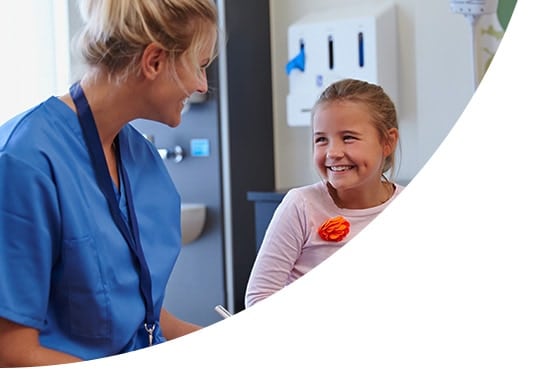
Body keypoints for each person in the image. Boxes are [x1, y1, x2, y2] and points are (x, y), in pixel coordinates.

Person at [0, 0, 218, 365]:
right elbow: (11, 351)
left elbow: (145, 318)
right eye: (199, 66)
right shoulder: (24, 162)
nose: (201, 85)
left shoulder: (144, 162)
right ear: (154, 61)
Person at [245, 78, 405, 308]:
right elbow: (259, 297)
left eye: (348, 138)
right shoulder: (301, 206)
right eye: (321, 139)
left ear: (387, 142)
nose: (333, 152)